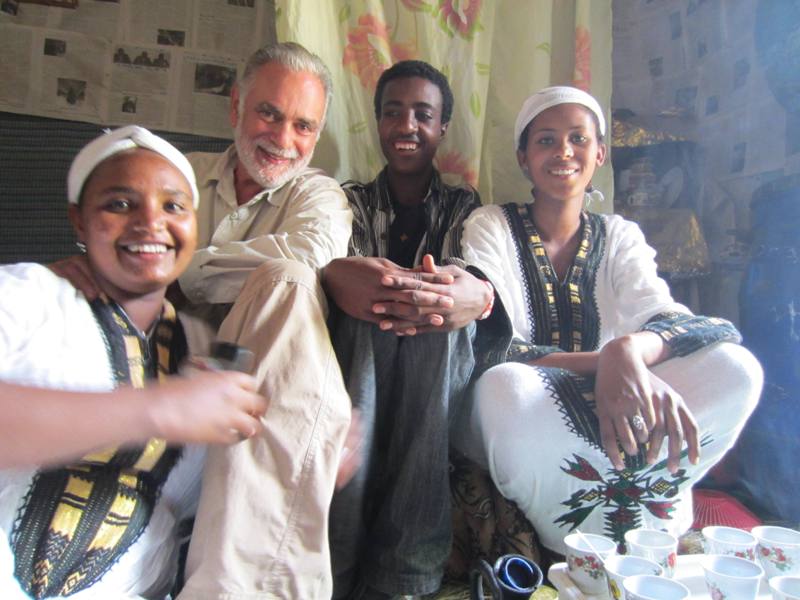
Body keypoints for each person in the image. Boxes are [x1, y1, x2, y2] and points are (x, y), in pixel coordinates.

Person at [53, 42, 354, 598]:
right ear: (236, 105)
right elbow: (112, 251)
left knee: (286, 281)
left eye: (303, 126)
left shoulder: (322, 196)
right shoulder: (176, 174)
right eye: (269, 113)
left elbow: (305, 260)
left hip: (249, 365)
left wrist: (170, 267)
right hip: (155, 345)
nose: (283, 140)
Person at [453, 86, 763, 558]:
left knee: (738, 369)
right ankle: (573, 536)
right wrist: (607, 364)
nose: (563, 152)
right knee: (504, 387)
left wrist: (628, 353)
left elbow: (673, 321)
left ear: (600, 153)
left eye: (578, 139)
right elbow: (493, 346)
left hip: (621, 402)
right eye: (546, 140)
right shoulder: (490, 224)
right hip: (529, 412)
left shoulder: (619, 234)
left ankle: (638, 501)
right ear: (523, 157)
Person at [0, 125, 267, 599]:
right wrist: (158, 410)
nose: (150, 223)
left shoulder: (206, 350)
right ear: (78, 222)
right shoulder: (26, 295)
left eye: (173, 206)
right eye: (119, 204)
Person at [323, 60, 495, 599]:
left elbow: (464, 293)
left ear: (442, 127)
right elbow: (339, 279)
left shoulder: (465, 207)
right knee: (368, 315)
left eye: (424, 114)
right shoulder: (347, 202)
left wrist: (428, 299)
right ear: (376, 123)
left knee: (438, 322)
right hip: (361, 356)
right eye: (393, 112)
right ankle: (339, 559)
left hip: (438, 360)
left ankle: (405, 575)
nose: (407, 126)